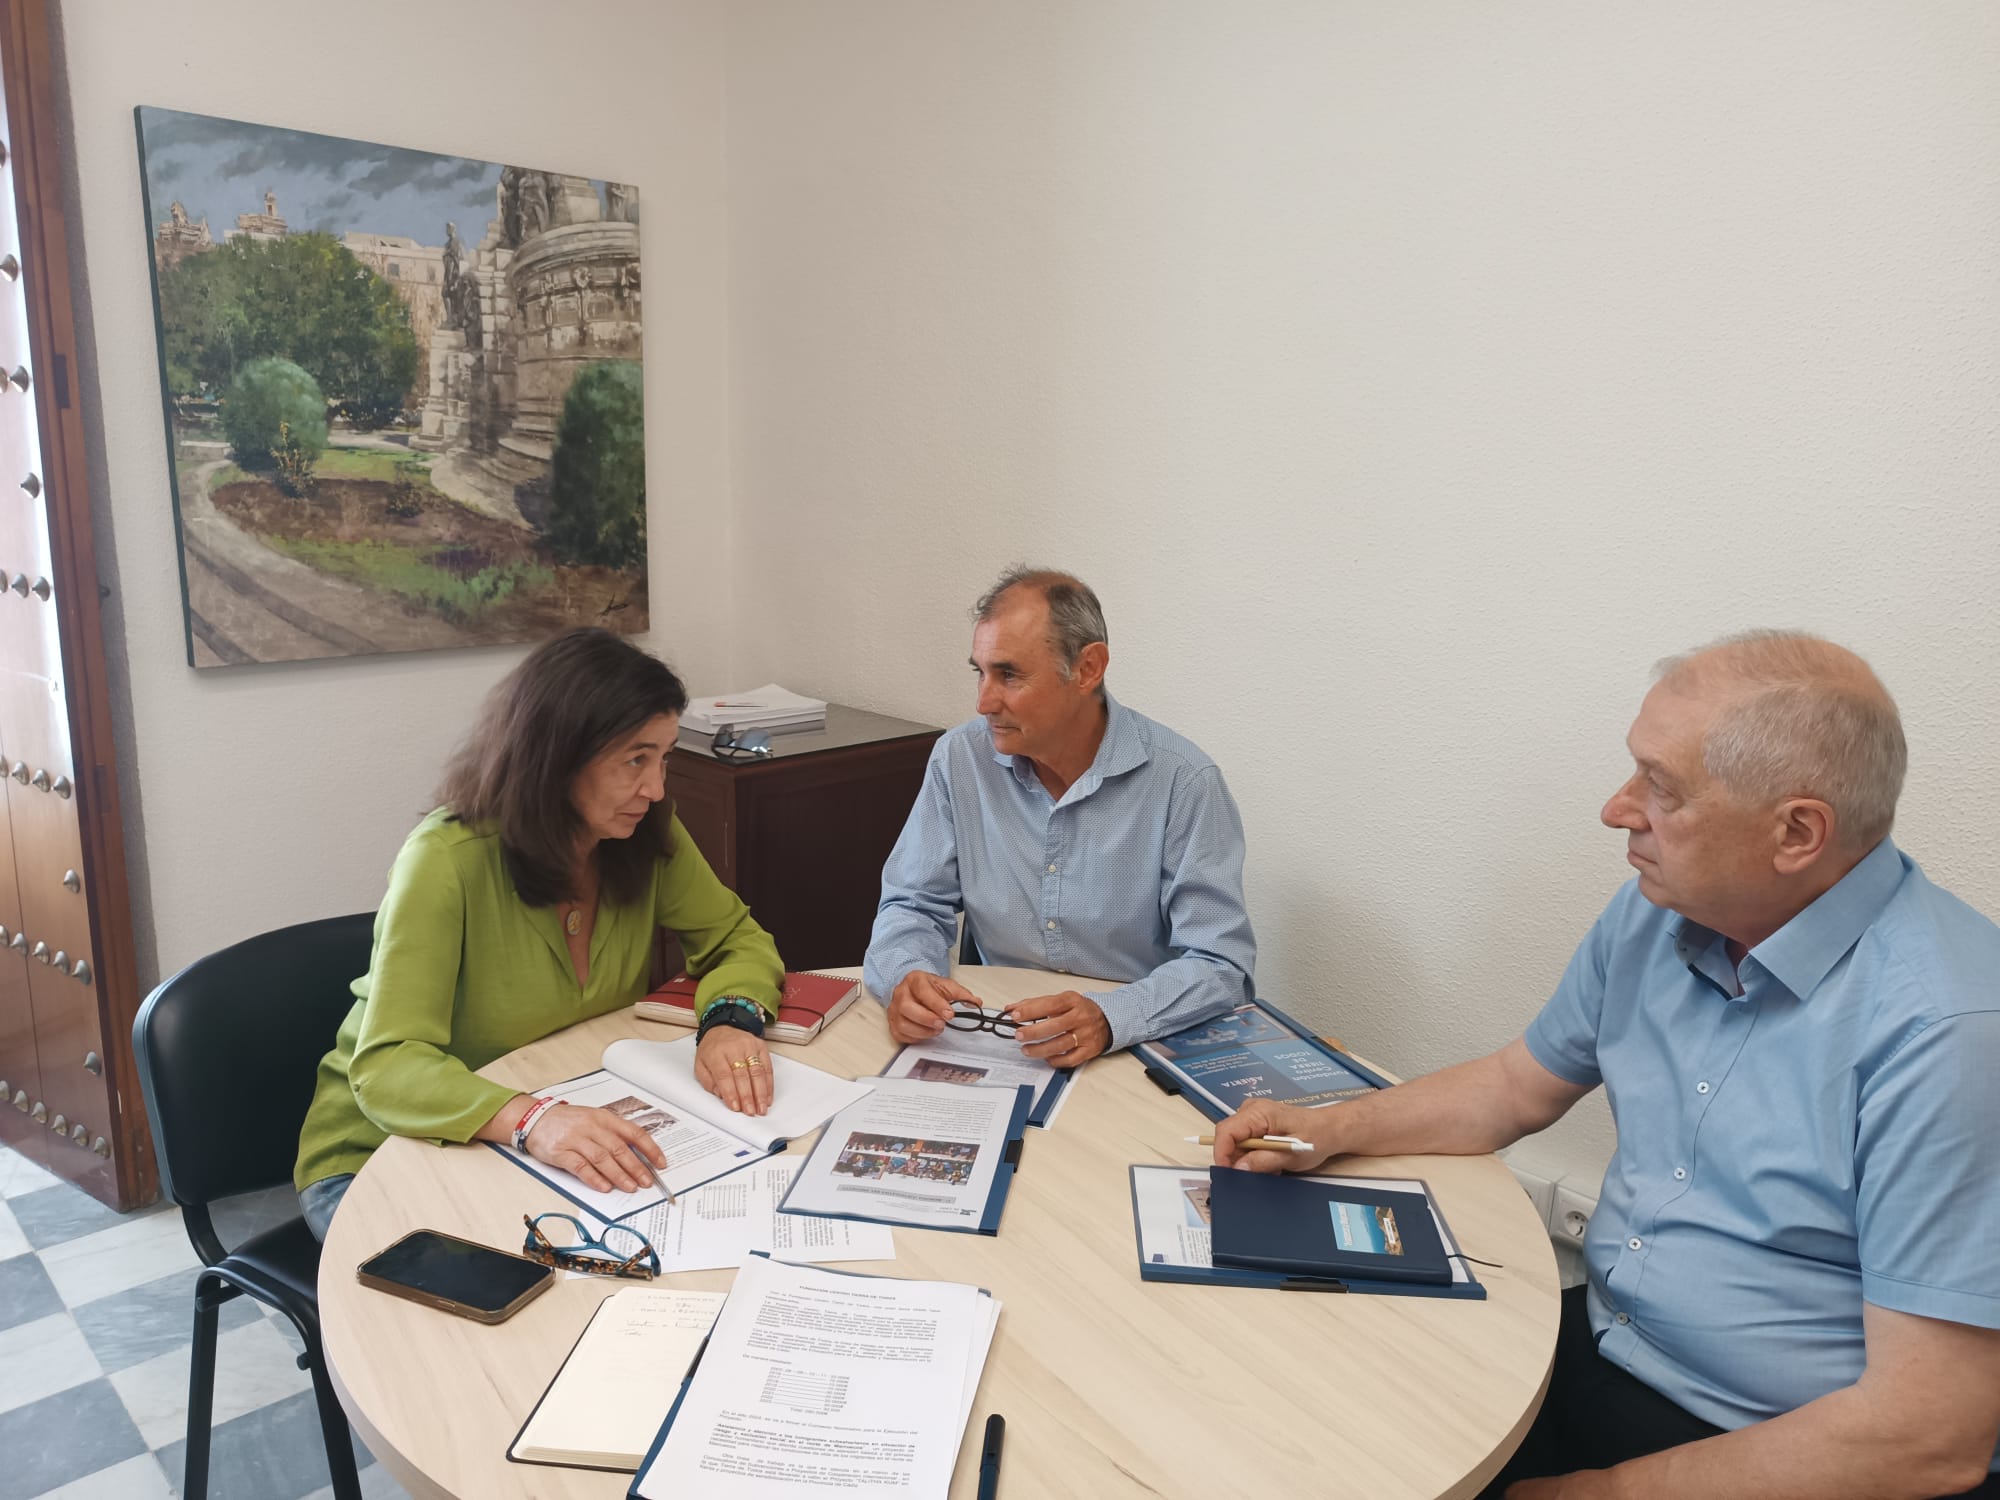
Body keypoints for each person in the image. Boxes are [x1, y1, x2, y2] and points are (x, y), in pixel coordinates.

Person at [1213, 631, 2000, 1500]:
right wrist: (1329, 1128)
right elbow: (1516, 1085)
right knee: (1319, 1427)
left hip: (1790, 1448)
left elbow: (1927, 1433)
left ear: (1797, 833)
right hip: (1607, 1339)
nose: (1617, 809)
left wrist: (1607, 1493)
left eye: (1660, 786)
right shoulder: (1657, 914)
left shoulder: (1951, 1033)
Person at [294, 629, 785, 1241]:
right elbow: (388, 1067)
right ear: (559, 756)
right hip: (381, 1153)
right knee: (496, 1307)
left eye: (664, 759)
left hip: (555, 1124)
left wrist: (731, 1019)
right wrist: (535, 1119)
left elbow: (736, 938)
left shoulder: (643, 833)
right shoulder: (446, 860)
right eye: (636, 759)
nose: (657, 788)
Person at [864, 566, 1256, 1068]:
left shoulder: (1184, 781)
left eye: (1009, 674)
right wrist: (906, 976)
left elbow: (1222, 964)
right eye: (979, 672)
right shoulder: (959, 758)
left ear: (1088, 669)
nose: (984, 702)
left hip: (1134, 1044)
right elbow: (913, 903)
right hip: (997, 1036)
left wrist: (1111, 1017)